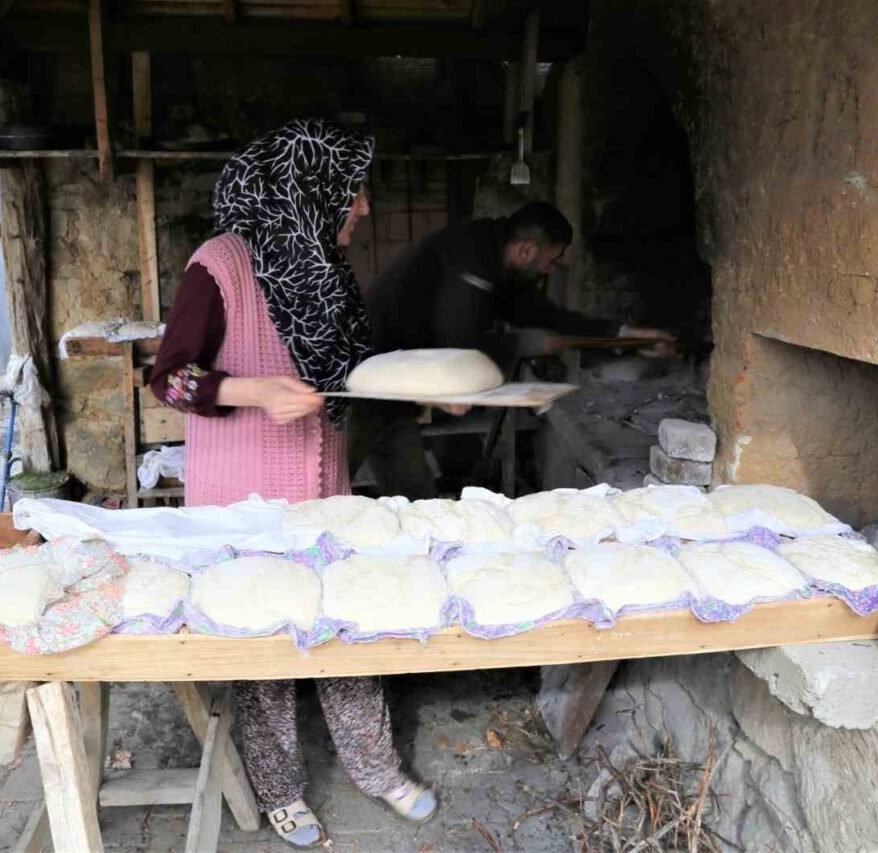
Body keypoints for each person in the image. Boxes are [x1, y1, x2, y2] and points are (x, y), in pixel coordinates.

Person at [149, 118, 436, 848]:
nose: (363, 207)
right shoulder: (219, 265)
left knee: (344, 625)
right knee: (263, 641)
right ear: (307, 189)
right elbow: (171, 376)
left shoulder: (325, 269)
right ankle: (279, 789)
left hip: (320, 484)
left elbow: (350, 375)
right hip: (242, 497)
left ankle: (375, 769)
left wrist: (423, 385)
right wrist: (255, 392)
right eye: (354, 190)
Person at [354, 201, 674, 499]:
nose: (549, 270)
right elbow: (459, 337)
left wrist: (623, 335)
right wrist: (521, 346)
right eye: (550, 260)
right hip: (370, 369)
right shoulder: (472, 256)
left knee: (413, 491)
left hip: (400, 378)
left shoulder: (496, 261)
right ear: (527, 249)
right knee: (346, 478)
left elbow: (543, 314)